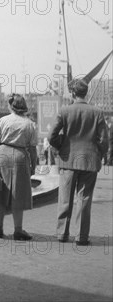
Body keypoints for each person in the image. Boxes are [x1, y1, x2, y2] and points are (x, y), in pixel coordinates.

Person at [48, 79, 108, 246]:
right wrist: (98, 154)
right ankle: (81, 237)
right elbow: (104, 140)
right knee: (84, 199)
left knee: (65, 198)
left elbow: (51, 136)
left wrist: (62, 147)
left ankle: (62, 233)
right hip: (89, 161)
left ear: (73, 93)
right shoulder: (97, 112)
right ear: (85, 92)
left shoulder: (64, 110)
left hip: (68, 160)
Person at [0, 94, 37, 240]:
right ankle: (18, 230)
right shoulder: (30, 124)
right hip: (19, 158)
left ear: (11, 106)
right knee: (18, 194)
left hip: (0, 155)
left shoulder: (3, 120)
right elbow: (32, 149)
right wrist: (34, 165)